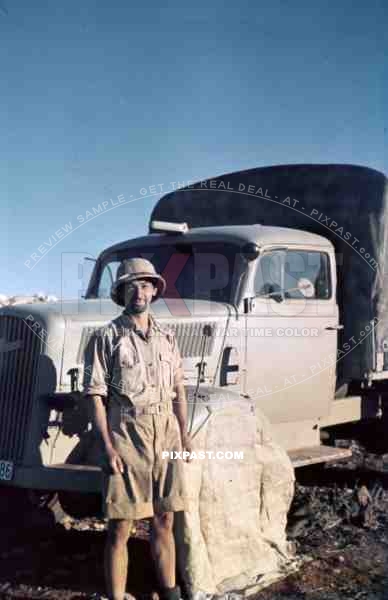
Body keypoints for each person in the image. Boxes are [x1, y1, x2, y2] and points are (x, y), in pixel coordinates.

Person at [83, 258, 192, 600]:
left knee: (165, 521)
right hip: (128, 435)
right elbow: (96, 396)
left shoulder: (168, 337)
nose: (139, 291)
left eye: (145, 284)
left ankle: (170, 593)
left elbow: (179, 390)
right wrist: (108, 447)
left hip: (167, 432)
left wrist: (185, 436)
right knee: (120, 527)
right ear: (121, 292)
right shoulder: (107, 337)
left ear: (155, 291)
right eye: (132, 285)